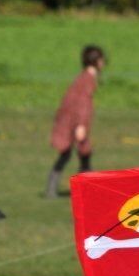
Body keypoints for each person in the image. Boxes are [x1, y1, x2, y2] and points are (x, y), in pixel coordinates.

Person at [46, 45, 105, 198]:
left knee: (83, 154)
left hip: (71, 120)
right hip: (74, 121)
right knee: (72, 153)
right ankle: (54, 189)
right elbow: (83, 103)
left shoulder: (84, 77)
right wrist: (81, 125)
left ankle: (86, 188)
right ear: (96, 61)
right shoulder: (88, 79)